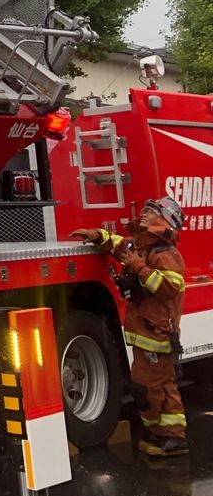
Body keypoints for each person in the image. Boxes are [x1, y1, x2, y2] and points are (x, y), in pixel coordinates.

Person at [72, 196, 187, 457]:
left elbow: (168, 288)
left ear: (165, 221)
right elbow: (119, 245)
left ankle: (172, 438)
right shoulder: (142, 247)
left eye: (152, 212)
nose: (144, 215)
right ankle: (161, 435)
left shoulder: (165, 254)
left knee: (153, 388)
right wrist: (97, 236)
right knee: (153, 387)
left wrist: (138, 267)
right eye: (145, 210)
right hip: (145, 334)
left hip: (158, 336)